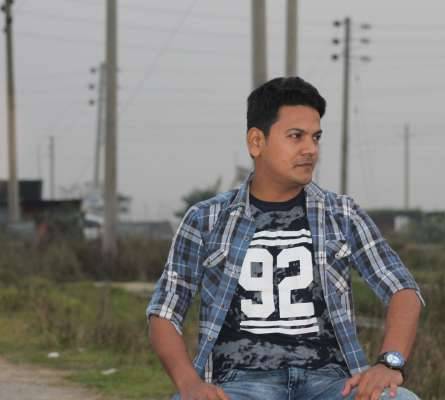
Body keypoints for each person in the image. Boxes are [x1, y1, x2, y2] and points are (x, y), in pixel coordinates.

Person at [146, 77, 424, 400]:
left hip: (332, 384)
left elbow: (403, 289)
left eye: (316, 137)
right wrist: (189, 384)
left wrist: (389, 362)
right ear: (256, 142)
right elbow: (164, 312)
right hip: (238, 386)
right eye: (296, 136)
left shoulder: (342, 214)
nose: (311, 149)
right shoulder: (206, 219)